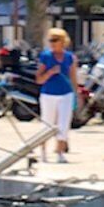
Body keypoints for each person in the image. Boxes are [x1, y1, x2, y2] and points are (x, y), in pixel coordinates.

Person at [36, 28, 80, 160]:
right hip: (49, 93)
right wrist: (50, 73)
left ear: (62, 41)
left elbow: (73, 77)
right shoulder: (46, 56)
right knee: (47, 122)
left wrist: (76, 94)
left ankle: (60, 152)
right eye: (50, 40)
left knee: (64, 123)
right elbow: (38, 78)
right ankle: (43, 151)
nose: (52, 43)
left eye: (55, 40)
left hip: (66, 93)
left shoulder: (69, 57)